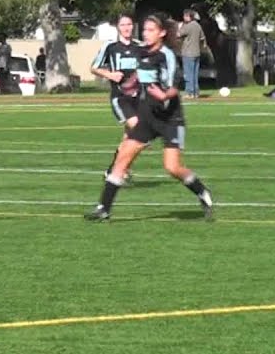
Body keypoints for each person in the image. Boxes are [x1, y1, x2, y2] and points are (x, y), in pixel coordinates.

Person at [86, 14, 214, 222]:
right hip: (147, 116)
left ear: (162, 33)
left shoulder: (167, 56)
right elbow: (139, 73)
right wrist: (128, 84)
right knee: (122, 159)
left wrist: (163, 95)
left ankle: (201, 191)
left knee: (171, 167)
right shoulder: (141, 52)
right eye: (144, 30)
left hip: (170, 118)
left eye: (151, 30)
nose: (146, 34)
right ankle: (104, 208)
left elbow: (174, 88)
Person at [89, 14, 145, 179]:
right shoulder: (110, 46)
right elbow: (94, 67)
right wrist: (110, 74)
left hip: (138, 97)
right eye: (123, 25)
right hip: (120, 97)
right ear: (118, 27)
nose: (127, 28)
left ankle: (114, 170)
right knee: (138, 128)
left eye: (129, 24)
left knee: (128, 138)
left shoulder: (140, 47)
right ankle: (120, 168)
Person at [178, 9, 207, 99]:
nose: (184, 17)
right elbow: (203, 38)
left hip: (188, 53)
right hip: (197, 52)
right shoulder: (198, 26)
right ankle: (196, 92)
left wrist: (180, 26)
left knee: (188, 74)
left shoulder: (188, 26)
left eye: (185, 16)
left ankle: (189, 92)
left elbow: (178, 34)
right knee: (195, 74)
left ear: (188, 16)